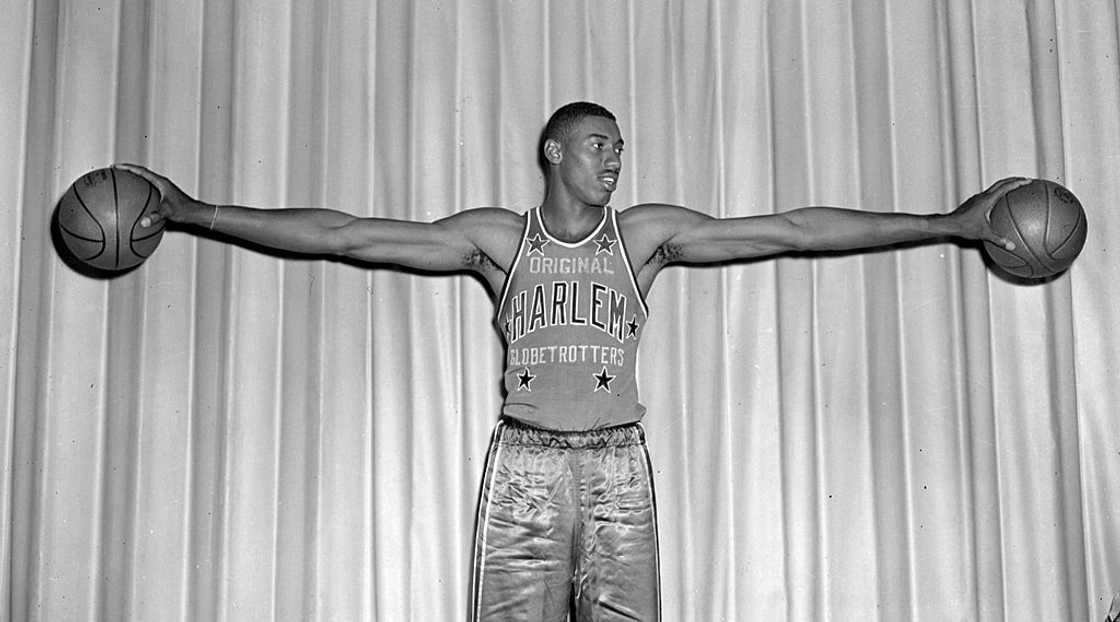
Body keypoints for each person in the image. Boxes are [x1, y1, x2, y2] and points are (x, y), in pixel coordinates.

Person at [118, 101, 1026, 621]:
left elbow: (793, 230)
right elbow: (349, 236)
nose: (616, 157)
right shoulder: (498, 242)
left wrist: (946, 223)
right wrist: (199, 213)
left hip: (616, 471)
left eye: (620, 147)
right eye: (601, 144)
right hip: (523, 469)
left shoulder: (643, 240)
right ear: (555, 151)